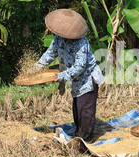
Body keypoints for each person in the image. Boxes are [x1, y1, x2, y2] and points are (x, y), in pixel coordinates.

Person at [32, 9, 104, 143]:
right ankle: (79, 134)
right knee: (77, 108)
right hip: (76, 80)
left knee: (86, 109)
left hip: (88, 78)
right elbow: (50, 54)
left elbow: (79, 67)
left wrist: (61, 76)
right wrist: (35, 69)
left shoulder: (81, 43)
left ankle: (86, 139)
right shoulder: (58, 38)